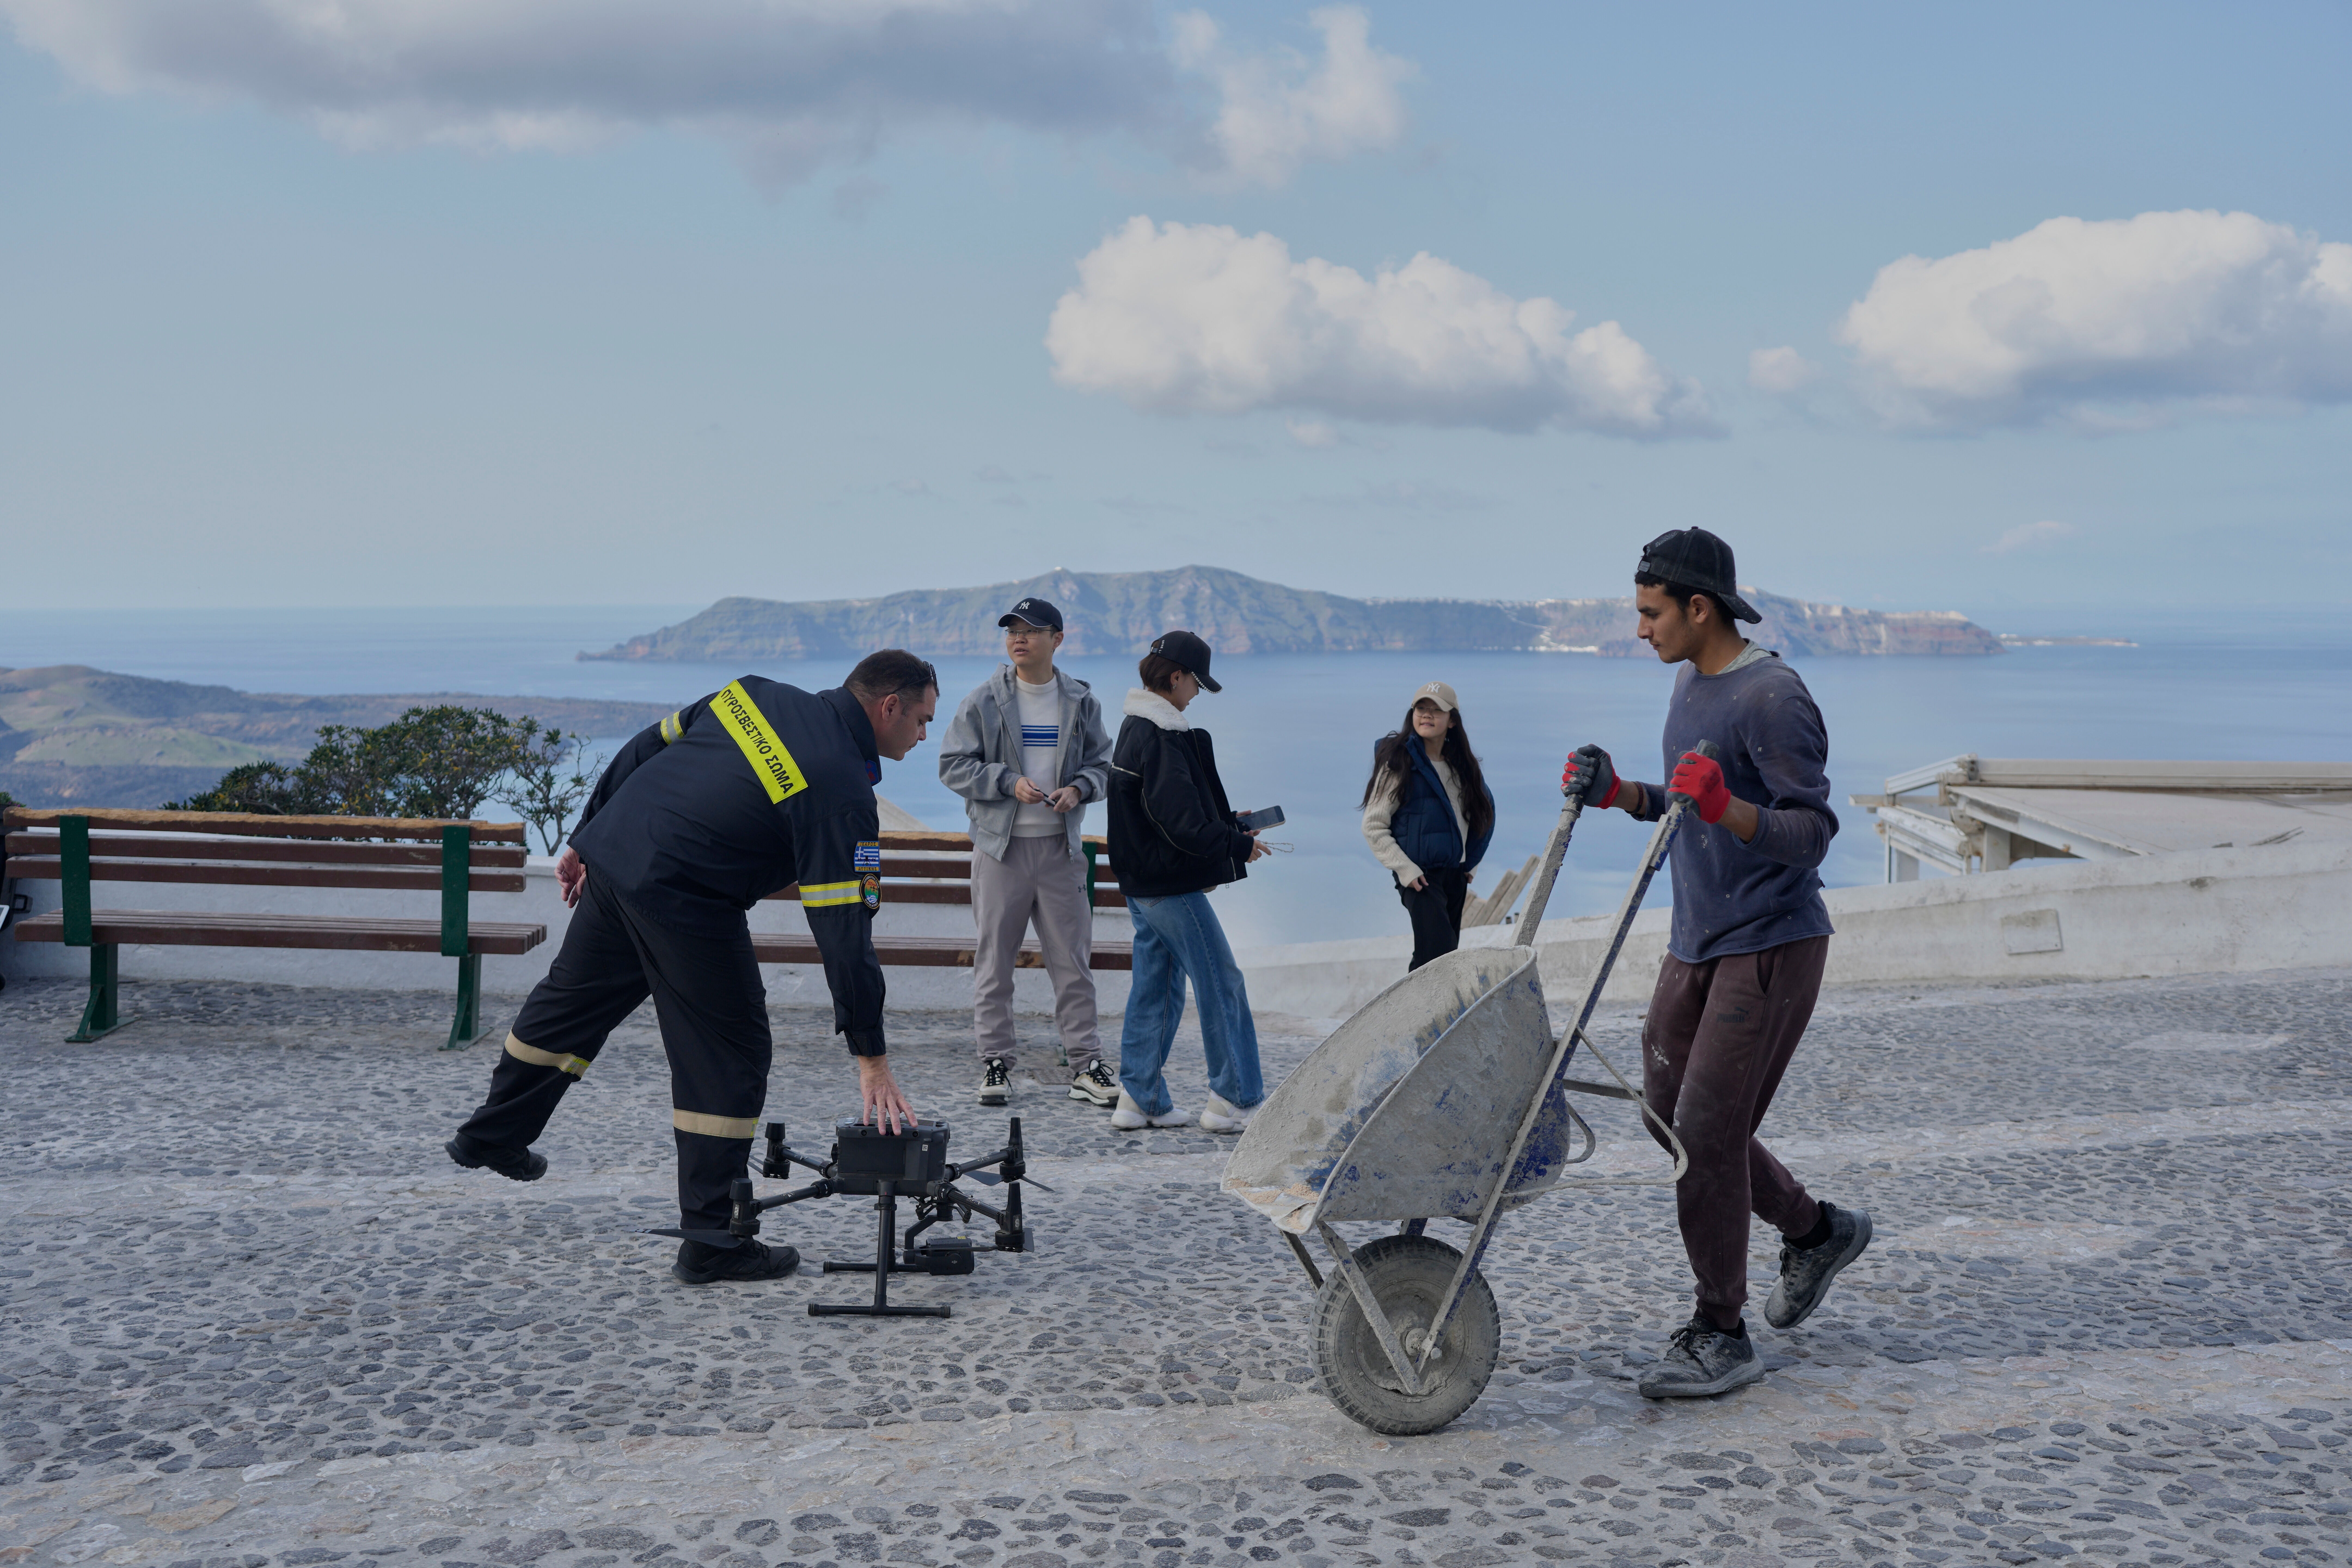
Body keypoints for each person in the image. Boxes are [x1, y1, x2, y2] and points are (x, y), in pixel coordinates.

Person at [445, 650, 938, 1287]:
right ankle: (712, 1240)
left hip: (620, 855)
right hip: (685, 897)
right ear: (887, 706)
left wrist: (587, 834)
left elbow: (646, 746)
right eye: (921, 720)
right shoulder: (839, 787)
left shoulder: (757, 693)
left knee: (569, 1007)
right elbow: (844, 935)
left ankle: (490, 1134)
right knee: (729, 1055)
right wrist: (871, 1056)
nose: (922, 736)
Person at [1564, 527, 1871, 1399]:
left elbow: (1810, 834)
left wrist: (1728, 808)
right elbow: (1691, 803)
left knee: (1706, 1136)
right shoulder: (1691, 686)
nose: (1640, 630)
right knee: (1673, 1120)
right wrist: (1622, 792)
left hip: (1771, 946)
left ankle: (1721, 1329)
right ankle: (1815, 1234)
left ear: (1699, 609)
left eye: (1650, 614)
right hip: (1696, 940)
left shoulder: (1774, 697)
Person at [936, 595, 1118, 1110]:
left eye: (1032, 630)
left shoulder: (1082, 702)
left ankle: (1086, 1065)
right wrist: (1007, 782)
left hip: (1061, 852)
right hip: (1001, 853)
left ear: (1057, 640)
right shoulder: (984, 700)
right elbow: (952, 766)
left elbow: (1105, 767)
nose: (1019, 638)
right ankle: (995, 1062)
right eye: (1012, 630)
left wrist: (1079, 790)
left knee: (1073, 964)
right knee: (995, 962)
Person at [1104, 629, 1270, 1135]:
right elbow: (1182, 824)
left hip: (1142, 882)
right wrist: (1238, 844)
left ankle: (1140, 1099)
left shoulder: (1136, 726)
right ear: (1175, 677)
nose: (1197, 693)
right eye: (1196, 683)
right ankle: (1235, 1099)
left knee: (1159, 986)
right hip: (1169, 886)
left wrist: (1230, 823)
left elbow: (1166, 811)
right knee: (1221, 980)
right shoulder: (1162, 734)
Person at [1360, 680, 1496, 970]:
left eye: (1437, 710)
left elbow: (1484, 814)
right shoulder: (1400, 762)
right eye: (1421, 708)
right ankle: (1416, 1014)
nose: (1427, 716)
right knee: (1436, 955)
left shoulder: (1462, 765)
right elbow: (1374, 825)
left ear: (1453, 721)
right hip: (1420, 878)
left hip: (1454, 875)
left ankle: (1433, 1015)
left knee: (1442, 958)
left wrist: (1470, 863)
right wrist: (1405, 870)